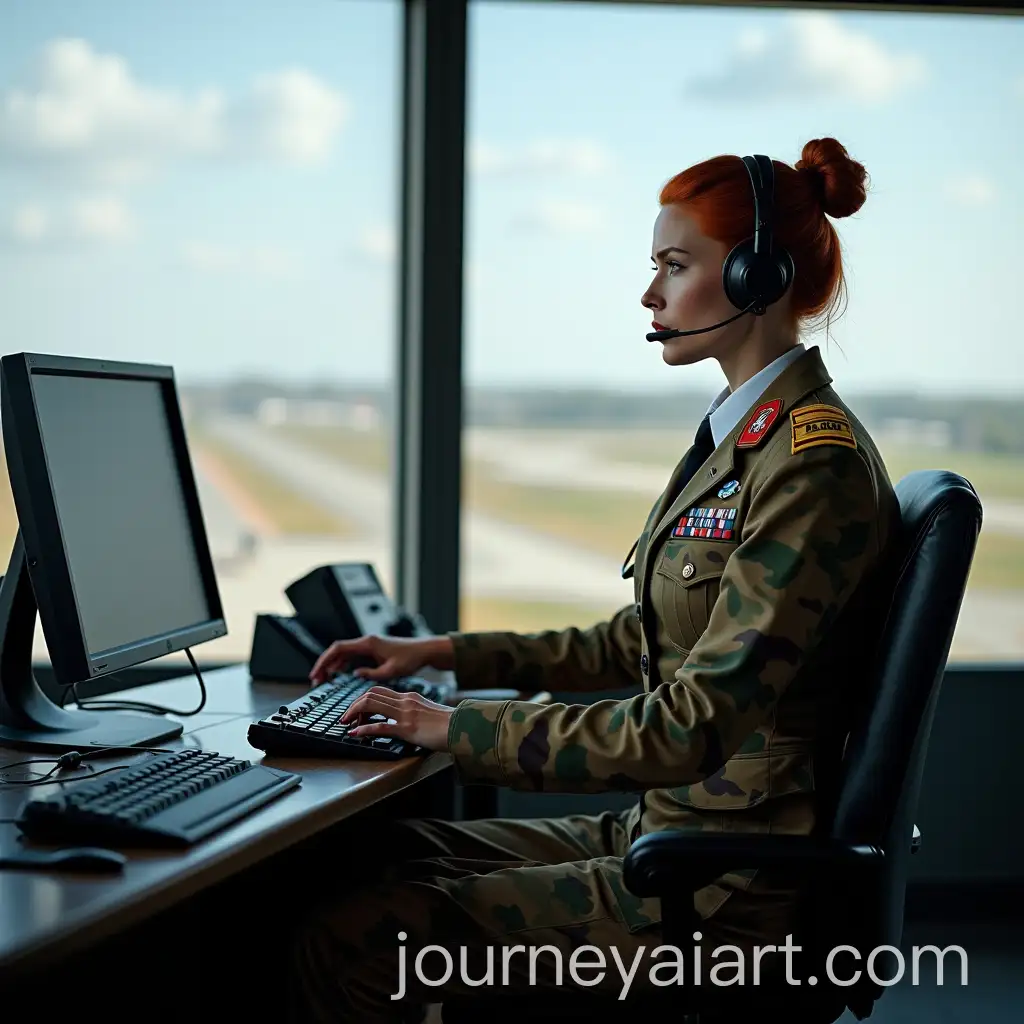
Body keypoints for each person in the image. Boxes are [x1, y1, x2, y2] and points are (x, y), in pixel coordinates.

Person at [287, 137, 901, 1022]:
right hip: (673, 835)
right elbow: (636, 640)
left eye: (674, 265)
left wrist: (453, 729)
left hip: (724, 888)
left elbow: (691, 727)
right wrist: (443, 653)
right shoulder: (744, 442)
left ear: (754, 278)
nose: (650, 293)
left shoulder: (810, 465)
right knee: (378, 857)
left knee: (353, 933)